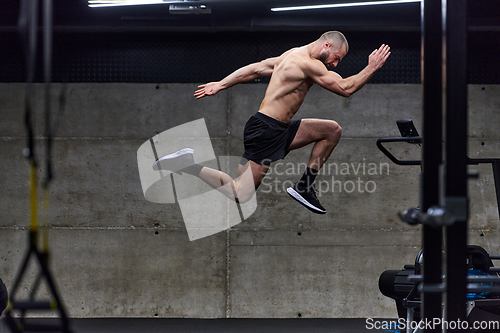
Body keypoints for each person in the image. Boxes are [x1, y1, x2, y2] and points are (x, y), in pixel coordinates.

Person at [154, 31, 390, 214]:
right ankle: (187, 164)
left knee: (331, 130)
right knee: (240, 193)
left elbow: (256, 68)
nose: (335, 64)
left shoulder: (291, 54)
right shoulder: (308, 63)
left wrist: (221, 84)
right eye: (336, 58)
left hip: (277, 128)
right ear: (326, 45)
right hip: (266, 131)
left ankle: (304, 186)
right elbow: (345, 88)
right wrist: (372, 67)